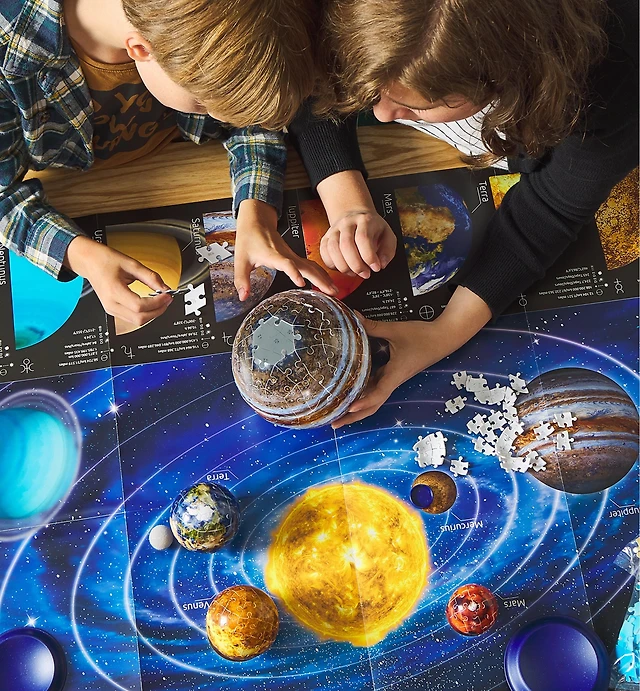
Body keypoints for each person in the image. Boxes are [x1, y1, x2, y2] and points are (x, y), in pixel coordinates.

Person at [289, 0, 639, 427]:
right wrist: (348, 204)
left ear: (511, 77)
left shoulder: (614, 87)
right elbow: (314, 84)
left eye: (417, 106)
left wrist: (444, 332)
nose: (380, 114)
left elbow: (549, 211)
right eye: (373, 91)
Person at [0, 0, 338, 328]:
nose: (219, 117)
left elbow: (249, 121)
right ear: (140, 49)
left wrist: (257, 213)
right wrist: (80, 255)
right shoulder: (9, 52)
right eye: (204, 103)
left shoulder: (222, 33)